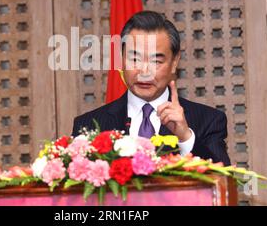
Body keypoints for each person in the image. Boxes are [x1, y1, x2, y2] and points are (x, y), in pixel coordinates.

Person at [72, 11, 231, 165]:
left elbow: (224, 181)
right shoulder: (88, 126)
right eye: (135, 59)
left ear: (174, 62)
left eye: (156, 61)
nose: (145, 72)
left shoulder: (208, 120)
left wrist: (185, 137)